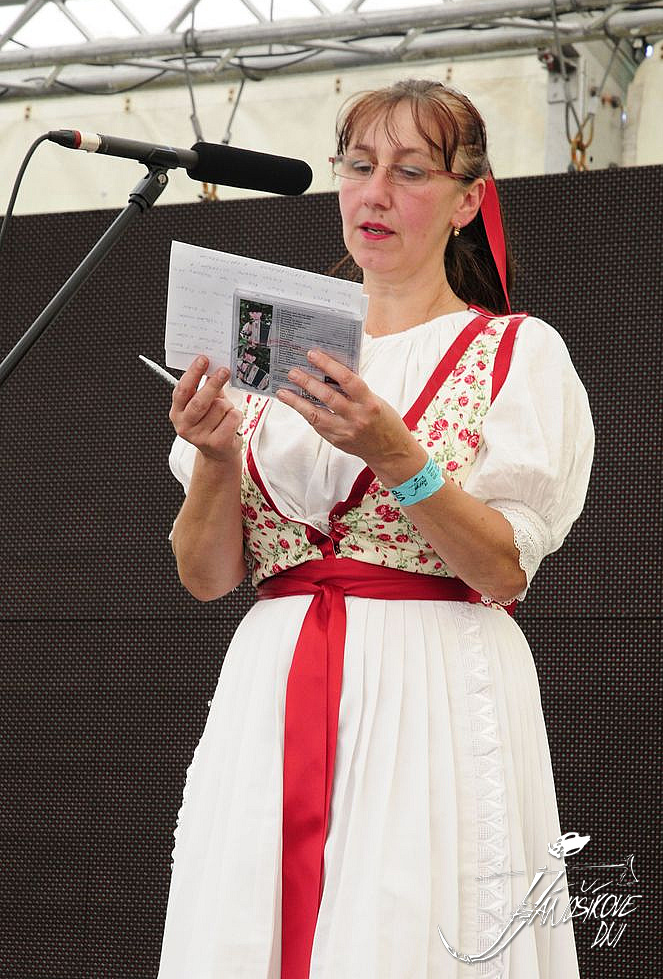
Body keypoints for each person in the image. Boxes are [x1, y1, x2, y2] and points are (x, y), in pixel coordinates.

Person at [158, 79, 594, 978]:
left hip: (431, 684)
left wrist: (396, 454)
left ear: (467, 201)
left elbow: (503, 571)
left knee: (403, 928)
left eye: (411, 172)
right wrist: (214, 456)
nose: (376, 193)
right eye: (358, 167)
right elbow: (206, 577)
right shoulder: (265, 346)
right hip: (273, 686)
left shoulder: (515, 350)